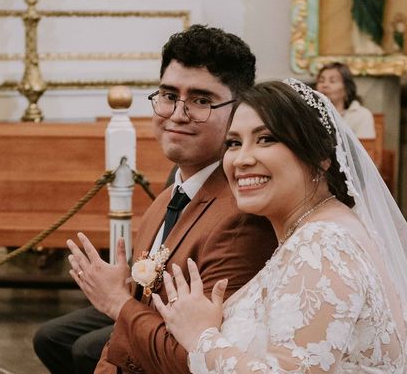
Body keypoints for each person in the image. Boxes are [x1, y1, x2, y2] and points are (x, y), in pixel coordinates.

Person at [150, 79, 407, 373]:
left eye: (265, 139)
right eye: (233, 143)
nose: (241, 159)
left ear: (321, 156)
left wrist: (201, 338)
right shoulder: (322, 230)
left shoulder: (323, 245)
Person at [35, 25, 277, 374]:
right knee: (52, 338)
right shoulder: (169, 193)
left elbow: (198, 356)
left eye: (201, 100)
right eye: (167, 95)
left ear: (239, 110)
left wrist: (118, 301)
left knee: (87, 348)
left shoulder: (242, 214)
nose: (177, 114)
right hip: (152, 323)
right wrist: (126, 290)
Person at [316, 62, 376, 139]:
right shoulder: (310, 113)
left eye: (332, 81)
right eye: (321, 81)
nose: (325, 85)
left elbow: (366, 148)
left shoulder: (362, 115)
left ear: (346, 88)